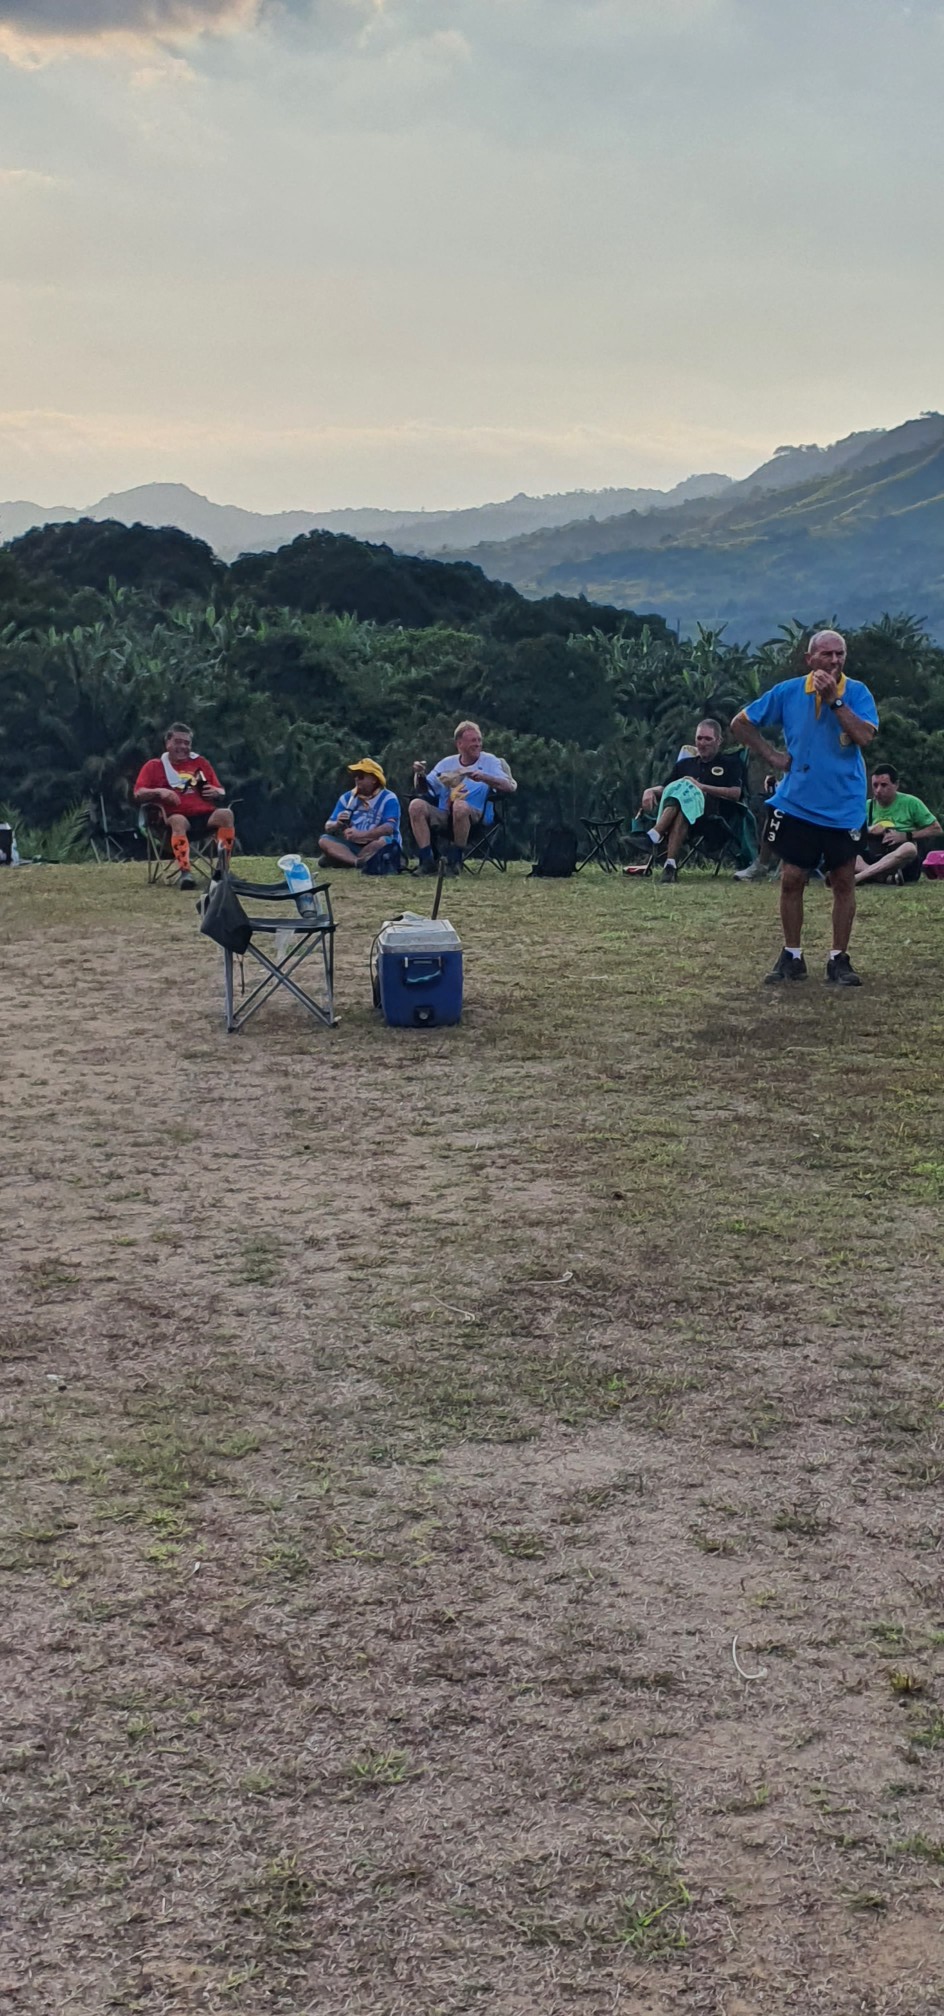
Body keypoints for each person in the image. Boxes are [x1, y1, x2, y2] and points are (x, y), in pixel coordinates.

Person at [731, 629, 879, 987]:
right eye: (826, 654)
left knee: (842, 880)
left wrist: (835, 702)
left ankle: (838, 958)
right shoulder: (788, 691)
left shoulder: (857, 692)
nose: (834, 661)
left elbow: (864, 737)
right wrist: (771, 755)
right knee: (792, 878)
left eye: (840, 654)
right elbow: (740, 723)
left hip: (843, 804)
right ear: (809, 659)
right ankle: (792, 955)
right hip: (798, 802)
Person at [633, 718, 744, 884]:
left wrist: (701, 787)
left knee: (687, 792)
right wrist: (650, 791)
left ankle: (654, 835)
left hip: (712, 817)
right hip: (685, 814)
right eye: (699, 738)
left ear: (719, 741)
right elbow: (668, 789)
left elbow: (736, 793)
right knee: (682, 801)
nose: (702, 743)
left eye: (708, 739)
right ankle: (670, 866)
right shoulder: (685, 765)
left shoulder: (730, 763)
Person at [134, 722, 235, 889]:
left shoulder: (200, 762)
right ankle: (185, 873)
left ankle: (223, 870)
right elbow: (138, 793)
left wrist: (216, 792)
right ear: (167, 743)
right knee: (178, 821)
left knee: (226, 815)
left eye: (186, 743)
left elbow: (220, 790)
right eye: (178, 742)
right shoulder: (154, 766)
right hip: (171, 819)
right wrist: (159, 792)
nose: (182, 747)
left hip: (204, 815)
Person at [409, 721, 516, 874]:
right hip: (445, 814)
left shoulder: (490, 761)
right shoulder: (447, 763)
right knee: (416, 805)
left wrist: (485, 777)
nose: (478, 744)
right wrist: (419, 774)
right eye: (473, 740)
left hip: (476, 816)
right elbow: (425, 790)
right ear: (459, 744)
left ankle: (455, 861)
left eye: (479, 740)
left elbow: (509, 787)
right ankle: (427, 861)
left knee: (460, 806)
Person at [854, 764, 941, 885]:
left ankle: (859, 877)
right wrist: (869, 830)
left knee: (909, 848)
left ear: (896, 785)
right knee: (846, 851)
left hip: (902, 861)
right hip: (874, 855)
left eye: (884, 785)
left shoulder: (911, 803)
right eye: (875, 785)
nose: (878, 790)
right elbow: (852, 832)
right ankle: (883, 877)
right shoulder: (867, 806)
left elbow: (936, 829)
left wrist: (906, 836)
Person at [319, 759, 402, 872]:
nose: (357, 779)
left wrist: (361, 835)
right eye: (355, 775)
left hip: (375, 843)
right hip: (353, 845)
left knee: (383, 841)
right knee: (324, 840)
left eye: (361, 776)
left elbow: (389, 828)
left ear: (374, 779)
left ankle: (342, 858)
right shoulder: (347, 797)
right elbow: (328, 826)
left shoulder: (388, 798)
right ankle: (357, 862)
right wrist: (337, 823)